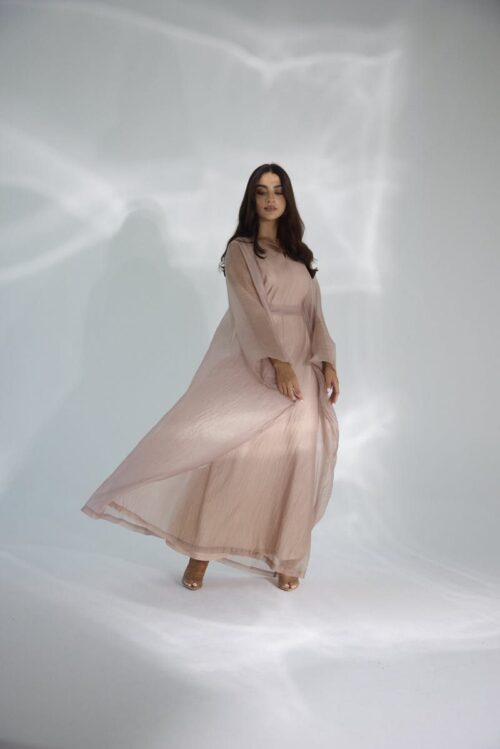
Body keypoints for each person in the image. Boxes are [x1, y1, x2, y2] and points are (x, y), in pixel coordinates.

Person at [81, 163, 340, 592]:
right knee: (234, 460)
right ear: (252, 199)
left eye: (278, 191)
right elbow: (248, 310)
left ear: (288, 199)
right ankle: (200, 553)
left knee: (293, 463)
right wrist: (277, 362)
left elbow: (314, 313)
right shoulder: (241, 250)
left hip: (304, 373)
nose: (270, 199)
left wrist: (327, 361)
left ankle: (286, 557)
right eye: (261, 191)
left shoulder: (299, 255)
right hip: (263, 367)